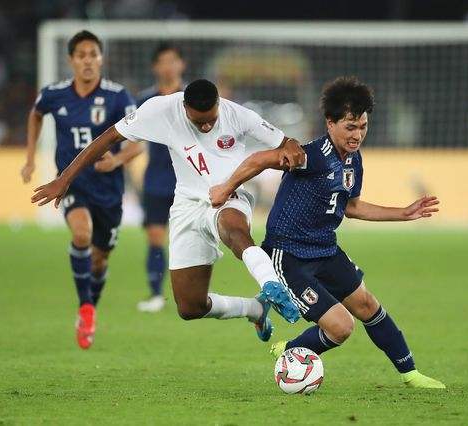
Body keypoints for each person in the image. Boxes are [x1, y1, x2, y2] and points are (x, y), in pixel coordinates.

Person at [209, 76, 446, 388]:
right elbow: (260, 158)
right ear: (330, 122)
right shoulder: (312, 155)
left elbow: (352, 206)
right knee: (341, 328)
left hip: (325, 249)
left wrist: (403, 213)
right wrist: (226, 187)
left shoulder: (353, 161)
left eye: (363, 126)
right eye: (350, 127)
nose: (357, 134)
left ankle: (411, 374)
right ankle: (291, 351)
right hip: (288, 255)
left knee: (368, 306)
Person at [31, 79, 305, 344]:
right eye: (200, 122)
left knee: (234, 230)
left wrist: (292, 147)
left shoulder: (238, 114)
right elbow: (108, 137)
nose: (208, 125)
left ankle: (271, 284)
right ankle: (255, 310)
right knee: (190, 306)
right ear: (184, 108)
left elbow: (285, 142)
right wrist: (65, 179)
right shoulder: (159, 110)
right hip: (187, 204)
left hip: (228, 196)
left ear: (218, 103)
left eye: (212, 118)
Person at [20, 30, 142, 350]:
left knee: (100, 260)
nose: (88, 61)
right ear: (71, 60)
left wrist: (115, 160)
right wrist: (31, 158)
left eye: (93, 55)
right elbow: (35, 115)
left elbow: (137, 144)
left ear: (101, 58)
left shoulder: (117, 96)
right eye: (81, 55)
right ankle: (86, 309)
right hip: (72, 184)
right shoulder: (55, 94)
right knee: (81, 234)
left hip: (109, 191)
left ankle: (88, 308)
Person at [136, 43, 184, 313]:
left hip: (187, 180)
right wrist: (117, 160)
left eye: (173, 60)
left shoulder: (192, 97)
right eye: (163, 61)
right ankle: (156, 294)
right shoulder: (145, 100)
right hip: (155, 179)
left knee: (191, 239)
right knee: (155, 237)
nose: (168, 66)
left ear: (181, 65)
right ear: (155, 67)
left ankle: (194, 293)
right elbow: (134, 139)